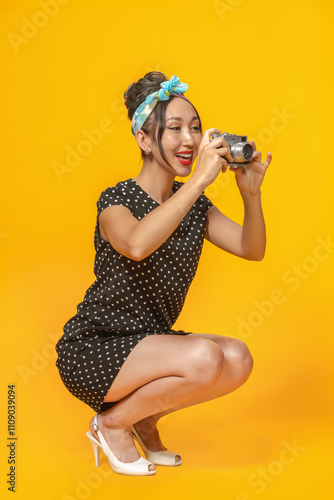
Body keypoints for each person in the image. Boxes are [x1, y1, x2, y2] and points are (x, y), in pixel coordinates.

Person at [55, 71, 272, 477]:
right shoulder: (116, 200)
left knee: (238, 359)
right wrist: (199, 181)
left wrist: (250, 194)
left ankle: (145, 419)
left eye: (195, 128)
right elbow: (137, 244)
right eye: (174, 129)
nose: (189, 140)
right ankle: (112, 423)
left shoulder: (194, 205)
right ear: (144, 138)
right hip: (96, 347)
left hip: (149, 344)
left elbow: (252, 249)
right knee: (207, 358)